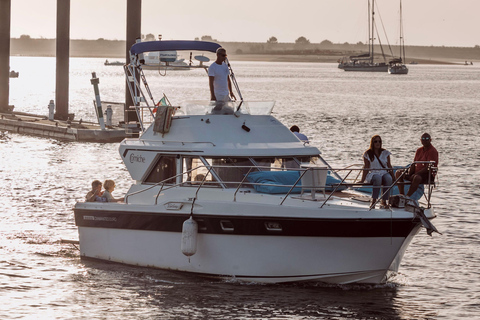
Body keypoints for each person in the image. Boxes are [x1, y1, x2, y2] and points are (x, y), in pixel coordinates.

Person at [396, 133, 438, 198]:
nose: (425, 140)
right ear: (421, 140)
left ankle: (408, 197)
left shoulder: (432, 151)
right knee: (399, 172)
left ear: (430, 140)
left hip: (427, 174)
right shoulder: (419, 150)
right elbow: (414, 163)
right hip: (416, 172)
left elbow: (428, 167)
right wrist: (410, 173)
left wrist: (416, 173)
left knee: (417, 177)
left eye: (427, 139)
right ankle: (402, 195)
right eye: (423, 139)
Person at [359, 135, 394, 209]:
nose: (378, 143)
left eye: (379, 141)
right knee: (378, 178)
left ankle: (384, 200)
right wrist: (362, 180)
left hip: (383, 172)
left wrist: (393, 177)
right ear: (372, 143)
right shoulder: (368, 154)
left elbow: (389, 165)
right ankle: (374, 200)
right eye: (376, 141)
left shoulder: (385, 153)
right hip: (373, 173)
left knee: (388, 179)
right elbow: (366, 167)